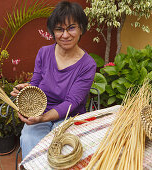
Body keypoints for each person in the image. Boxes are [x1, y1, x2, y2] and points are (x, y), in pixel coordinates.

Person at [10, 1, 96, 159]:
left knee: (62, 150)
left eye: (71, 27)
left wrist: (44, 118)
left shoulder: (87, 64)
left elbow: (72, 102)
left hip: (70, 117)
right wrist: (28, 90)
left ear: (81, 29)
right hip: (40, 111)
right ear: (53, 32)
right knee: (30, 140)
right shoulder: (44, 53)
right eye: (59, 29)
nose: (65, 35)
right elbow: (36, 83)